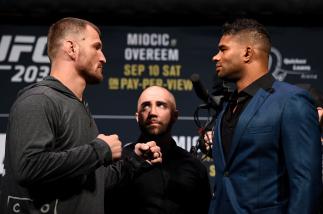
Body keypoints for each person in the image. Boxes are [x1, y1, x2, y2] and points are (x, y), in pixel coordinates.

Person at [0, 17, 161, 214]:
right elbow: (28, 167)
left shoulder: (78, 107)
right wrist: (99, 150)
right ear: (72, 48)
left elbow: (93, 184)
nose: (103, 58)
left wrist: (135, 161)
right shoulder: (38, 100)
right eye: (96, 47)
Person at [208, 18, 322, 213]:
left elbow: (306, 182)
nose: (215, 57)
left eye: (223, 49)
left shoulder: (291, 101)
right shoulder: (226, 106)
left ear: (247, 53)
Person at [106, 85, 211, 214]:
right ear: (137, 117)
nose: (153, 112)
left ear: (175, 115)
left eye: (161, 105)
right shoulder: (118, 163)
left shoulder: (194, 167)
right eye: (146, 106)